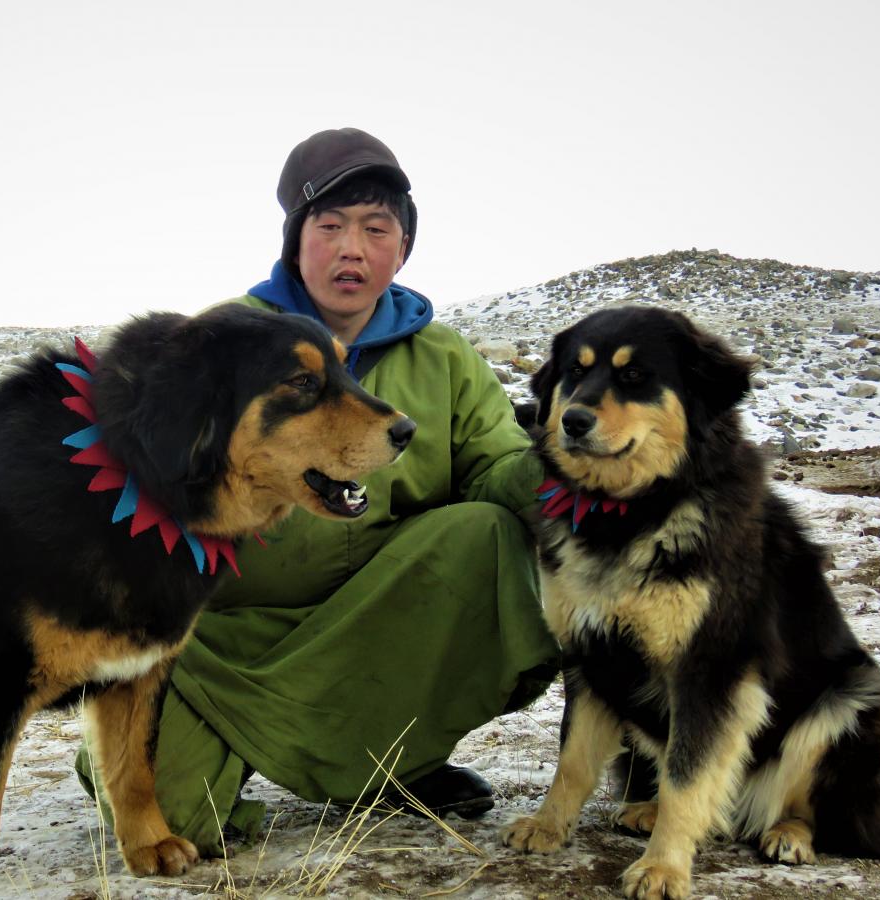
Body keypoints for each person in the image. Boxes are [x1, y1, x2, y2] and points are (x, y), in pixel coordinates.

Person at [77, 127, 558, 854]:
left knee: (485, 535)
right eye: (329, 227)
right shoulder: (222, 341)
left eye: (376, 229)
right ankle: (232, 744)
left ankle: (390, 763)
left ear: (403, 246)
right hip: (221, 645)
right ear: (295, 242)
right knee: (162, 812)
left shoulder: (446, 358)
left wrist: (563, 460)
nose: (351, 250)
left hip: (375, 627)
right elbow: (140, 484)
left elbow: (498, 470)